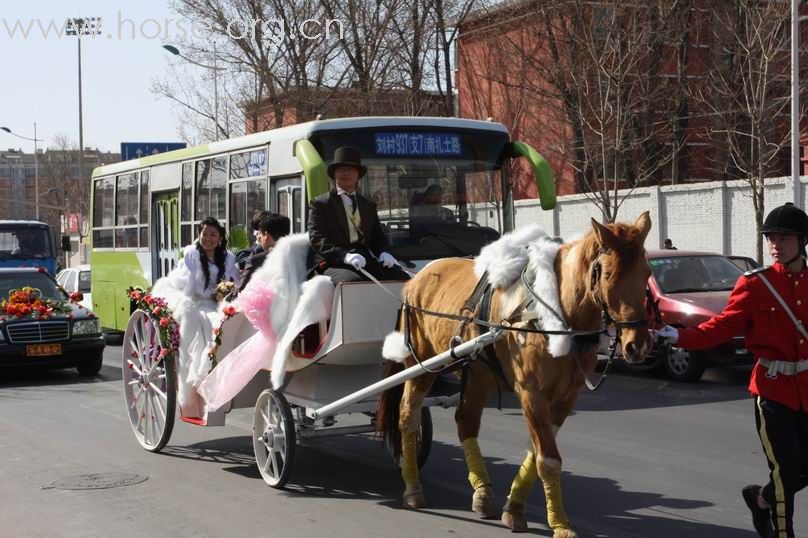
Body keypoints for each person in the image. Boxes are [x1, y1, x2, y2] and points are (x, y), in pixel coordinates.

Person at [656, 202, 808, 538]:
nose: (775, 244)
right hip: (771, 391)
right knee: (785, 472)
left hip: (806, 388)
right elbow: (723, 326)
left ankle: (760, 499)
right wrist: (679, 335)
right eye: (771, 237)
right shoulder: (756, 284)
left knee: (803, 470)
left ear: (802, 240)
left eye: (784, 237)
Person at [307, 146, 409, 284]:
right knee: (353, 282)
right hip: (333, 262)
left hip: (363, 258)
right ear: (334, 174)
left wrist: (384, 252)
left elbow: (377, 236)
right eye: (341, 169)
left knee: (401, 277)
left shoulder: (368, 204)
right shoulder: (320, 203)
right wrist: (345, 256)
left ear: (358, 175)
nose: (345, 173)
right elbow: (317, 238)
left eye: (350, 169)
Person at [234, 212, 290, 296]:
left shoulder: (256, 260)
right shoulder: (298, 255)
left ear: (266, 235)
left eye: (261, 232)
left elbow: (240, 291)